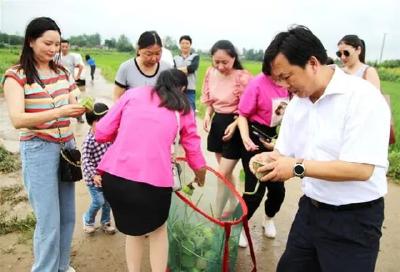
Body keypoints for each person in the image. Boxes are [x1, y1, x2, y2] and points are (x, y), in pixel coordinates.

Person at [251, 25, 390, 272]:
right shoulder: (298, 104)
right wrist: (268, 160)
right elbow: (284, 153)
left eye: (287, 76)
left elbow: (360, 169)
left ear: (313, 63)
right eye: (278, 80)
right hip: (310, 211)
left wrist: (296, 167)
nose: (284, 86)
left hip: (354, 221)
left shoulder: (362, 98)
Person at [94, 69, 207, 272]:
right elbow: (193, 146)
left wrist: (126, 140)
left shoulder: (133, 94)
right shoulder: (182, 107)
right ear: (181, 88)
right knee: (158, 230)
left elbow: (101, 131)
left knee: (133, 231)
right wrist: (200, 174)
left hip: (115, 180)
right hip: (152, 186)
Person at [2, 17, 86, 272]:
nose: (53, 49)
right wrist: (60, 112)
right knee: (48, 220)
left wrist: (85, 106)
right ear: (31, 41)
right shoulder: (16, 76)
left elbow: (75, 98)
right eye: (47, 43)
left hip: (67, 148)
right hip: (38, 149)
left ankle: (62, 265)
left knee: (68, 216)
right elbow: (18, 120)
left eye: (57, 44)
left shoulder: (63, 72)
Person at [236, 69, 289, 247]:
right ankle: (240, 227)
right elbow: (242, 115)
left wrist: (277, 143)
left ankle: (269, 218)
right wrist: (245, 139)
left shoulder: (290, 81)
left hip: (275, 140)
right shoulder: (257, 83)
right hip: (254, 139)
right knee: (254, 191)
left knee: (277, 190)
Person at [201, 40, 252, 218]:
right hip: (218, 123)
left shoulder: (242, 77)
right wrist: (208, 114)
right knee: (226, 171)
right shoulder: (210, 73)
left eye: (225, 62)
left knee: (222, 173)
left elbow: (246, 108)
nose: (221, 66)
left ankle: (217, 213)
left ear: (234, 58)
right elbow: (211, 102)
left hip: (236, 124)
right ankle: (233, 201)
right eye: (217, 62)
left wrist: (235, 123)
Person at [82, 102, 116, 235]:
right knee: (99, 201)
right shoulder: (89, 140)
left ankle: (105, 222)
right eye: (102, 121)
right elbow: (85, 160)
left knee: (108, 201)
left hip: (106, 176)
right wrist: (94, 175)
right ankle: (88, 220)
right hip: (93, 179)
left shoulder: (108, 136)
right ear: (93, 122)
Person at [113, 31, 172, 101]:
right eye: (149, 54)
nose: (154, 59)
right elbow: (117, 98)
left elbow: (171, 96)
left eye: (157, 54)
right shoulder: (126, 68)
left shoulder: (167, 68)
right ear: (139, 50)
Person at [59, 39, 85, 123]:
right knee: (60, 99)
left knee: (75, 99)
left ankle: (79, 117)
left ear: (69, 47)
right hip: (59, 81)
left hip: (70, 81)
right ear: (60, 47)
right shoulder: (57, 56)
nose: (64, 48)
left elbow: (80, 66)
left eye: (66, 46)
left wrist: (77, 76)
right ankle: (60, 118)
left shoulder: (72, 57)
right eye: (62, 46)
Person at [174, 35, 200, 111]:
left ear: (190, 44)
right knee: (178, 110)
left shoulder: (195, 56)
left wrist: (177, 71)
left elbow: (192, 68)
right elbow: (173, 72)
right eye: (182, 43)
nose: (184, 45)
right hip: (178, 89)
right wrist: (186, 69)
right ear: (180, 45)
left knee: (191, 110)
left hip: (190, 89)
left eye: (187, 43)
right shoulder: (175, 58)